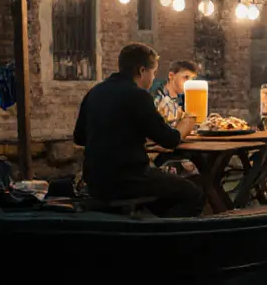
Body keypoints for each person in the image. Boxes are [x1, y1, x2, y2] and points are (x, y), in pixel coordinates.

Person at [73, 43, 203, 217]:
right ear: (142, 71)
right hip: (130, 180)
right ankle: (168, 239)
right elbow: (170, 140)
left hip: (95, 180)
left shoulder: (95, 92)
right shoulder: (138, 96)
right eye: (153, 72)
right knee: (194, 194)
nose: (153, 78)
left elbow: (79, 137)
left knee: (166, 194)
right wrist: (185, 125)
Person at [152, 60, 199, 124]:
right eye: (186, 77)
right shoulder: (155, 97)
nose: (189, 82)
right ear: (171, 75)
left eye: (192, 79)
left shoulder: (185, 99)